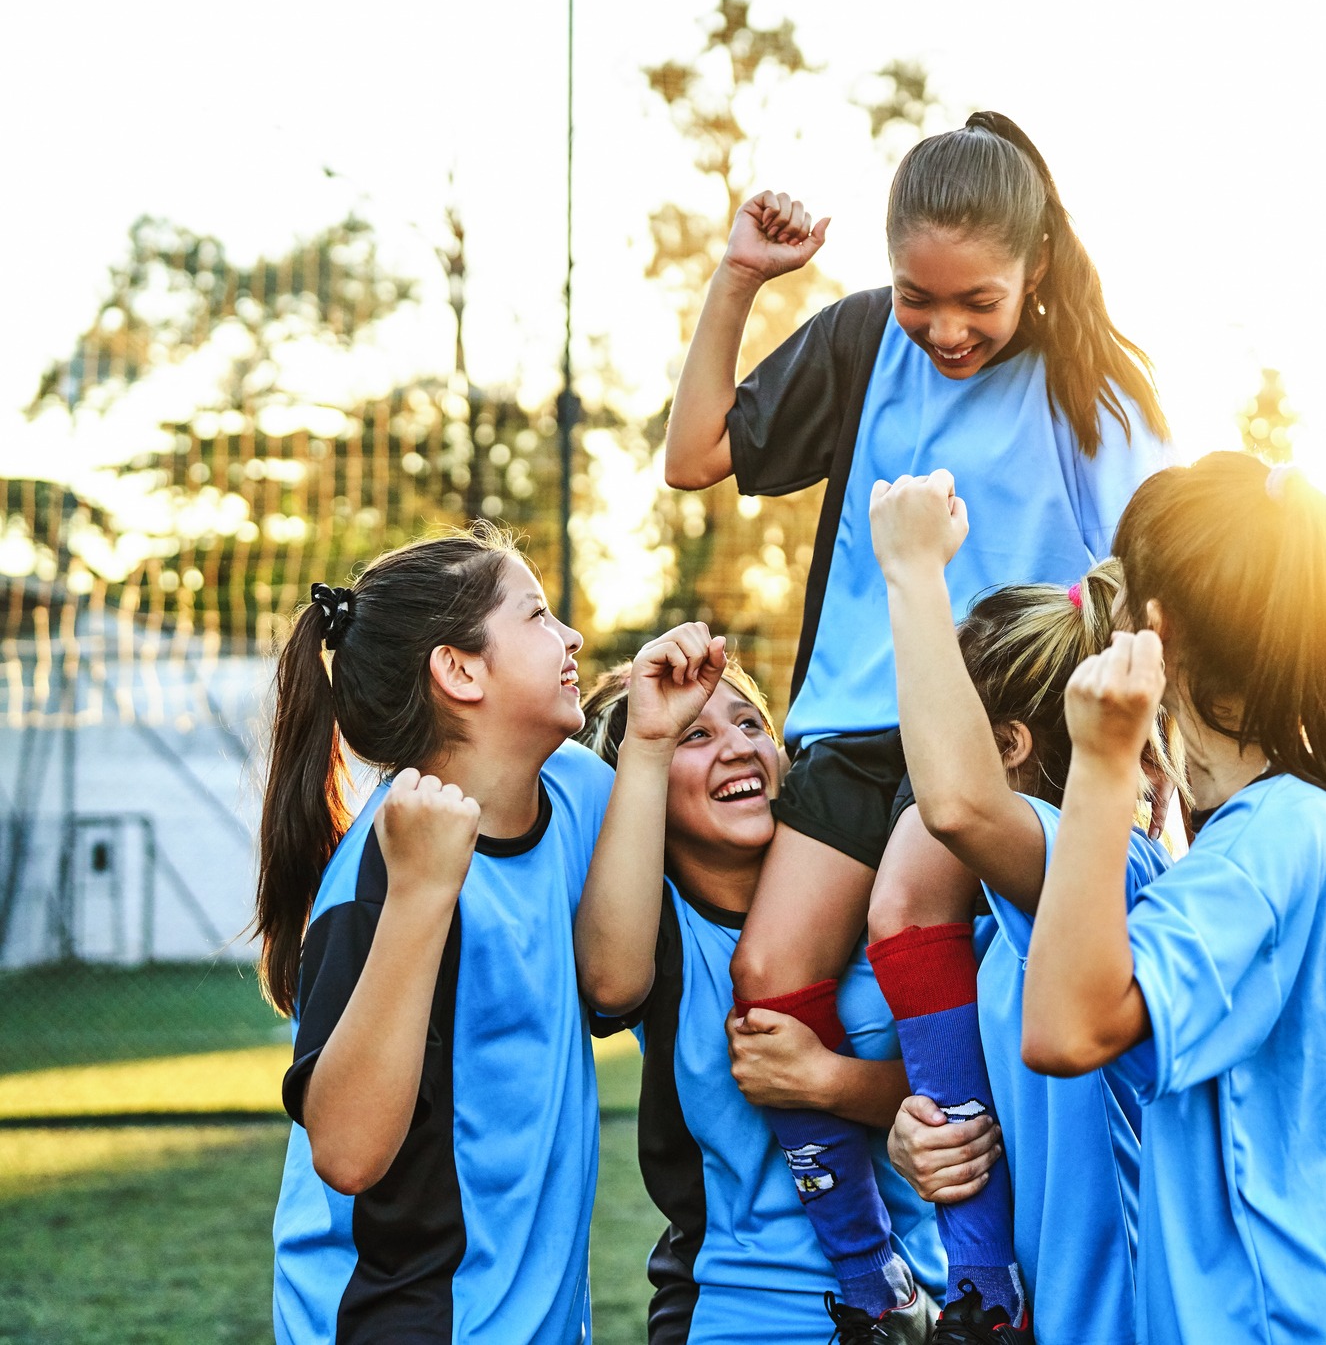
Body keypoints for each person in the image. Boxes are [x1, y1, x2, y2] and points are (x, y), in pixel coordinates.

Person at [662, 109, 1171, 1335]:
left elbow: (1158, 581)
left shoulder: (1095, 387)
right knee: (768, 974)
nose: (944, 329)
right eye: (916, 298)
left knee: (905, 915)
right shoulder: (856, 343)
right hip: (847, 725)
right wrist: (737, 275)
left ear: (1033, 267)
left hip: (994, 738)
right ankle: (875, 1291)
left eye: (975, 302)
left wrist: (1139, 751)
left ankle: (981, 1286)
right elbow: (692, 456)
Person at [1020, 452, 1326, 1344]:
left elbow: (1065, 1028)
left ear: (1156, 630)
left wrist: (1103, 760)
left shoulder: (1266, 851)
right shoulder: (1305, 827)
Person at [261, 526, 614, 1344]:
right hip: (406, 1321)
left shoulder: (576, 789)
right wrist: (423, 896)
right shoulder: (379, 875)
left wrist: (660, 745)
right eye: (537, 616)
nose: (573, 638)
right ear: (459, 670)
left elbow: (618, 983)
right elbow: (346, 1154)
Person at [867, 471, 1175, 1345]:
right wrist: (923, 1134)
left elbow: (956, 805)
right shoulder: (1009, 929)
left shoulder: (1103, 866)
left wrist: (914, 573)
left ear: (1007, 746)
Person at [571, 646, 945, 1345]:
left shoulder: (888, 893)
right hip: (740, 1315)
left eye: (749, 723)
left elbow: (969, 1092)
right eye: (696, 735)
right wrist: (645, 742)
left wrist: (830, 1082)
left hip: (926, 1305)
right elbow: (606, 981)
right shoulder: (655, 932)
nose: (739, 747)